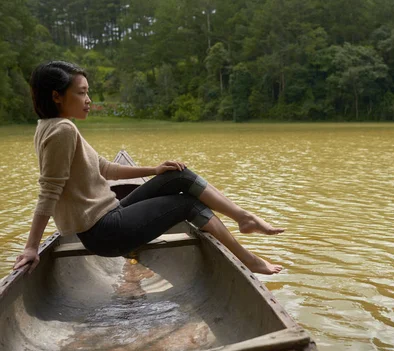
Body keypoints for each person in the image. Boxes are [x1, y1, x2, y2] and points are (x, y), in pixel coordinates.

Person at [13, 61, 284, 275]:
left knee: (177, 175)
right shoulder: (62, 130)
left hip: (109, 217)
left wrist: (155, 170)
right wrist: (31, 247)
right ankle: (248, 259)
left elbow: (106, 169)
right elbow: (49, 191)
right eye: (81, 92)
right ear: (57, 96)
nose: (88, 99)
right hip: (104, 232)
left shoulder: (49, 126)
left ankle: (243, 218)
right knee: (187, 204)